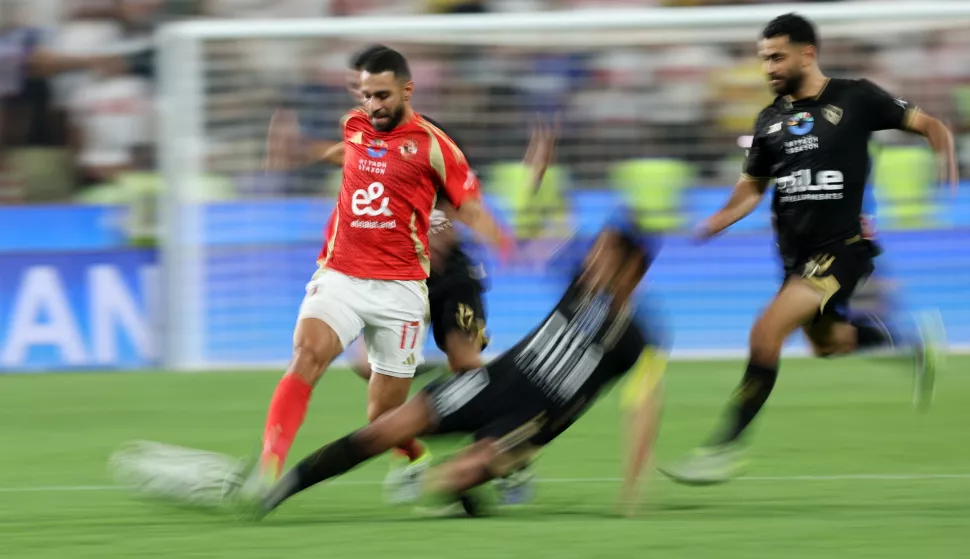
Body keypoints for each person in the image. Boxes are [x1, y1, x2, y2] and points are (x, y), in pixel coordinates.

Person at [660, 13, 955, 486]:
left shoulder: (856, 96)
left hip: (844, 247)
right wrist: (717, 219)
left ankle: (723, 449)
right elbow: (751, 190)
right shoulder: (768, 121)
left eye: (777, 56)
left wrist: (946, 155)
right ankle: (910, 344)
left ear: (807, 53)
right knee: (829, 345)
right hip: (796, 258)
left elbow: (928, 124)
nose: (768, 68)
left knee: (766, 331)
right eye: (763, 59)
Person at [265, 44, 556, 504]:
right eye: (362, 93)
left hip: (448, 276)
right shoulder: (360, 130)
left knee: (466, 367)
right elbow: (346, 152)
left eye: (379, 94)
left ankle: (503, 456)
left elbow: (470, 205)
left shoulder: (435, 146)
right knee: (369, 378)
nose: (370, 103)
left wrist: (503, 239)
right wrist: (300, 151)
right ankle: (412, 456)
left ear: (405, 91)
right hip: (389, 276)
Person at [234, 217, 669, 519]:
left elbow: (645, 409)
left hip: (530, 422)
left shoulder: (638, 337)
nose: (592, 258)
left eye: (604, 253)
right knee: (380, 431)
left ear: (631, 268)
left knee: (445, 481)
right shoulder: (582, 280)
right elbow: (534, 237)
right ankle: (279, 489)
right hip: (490, 383)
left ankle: (473, 483)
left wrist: (633, 489)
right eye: (595, 250)